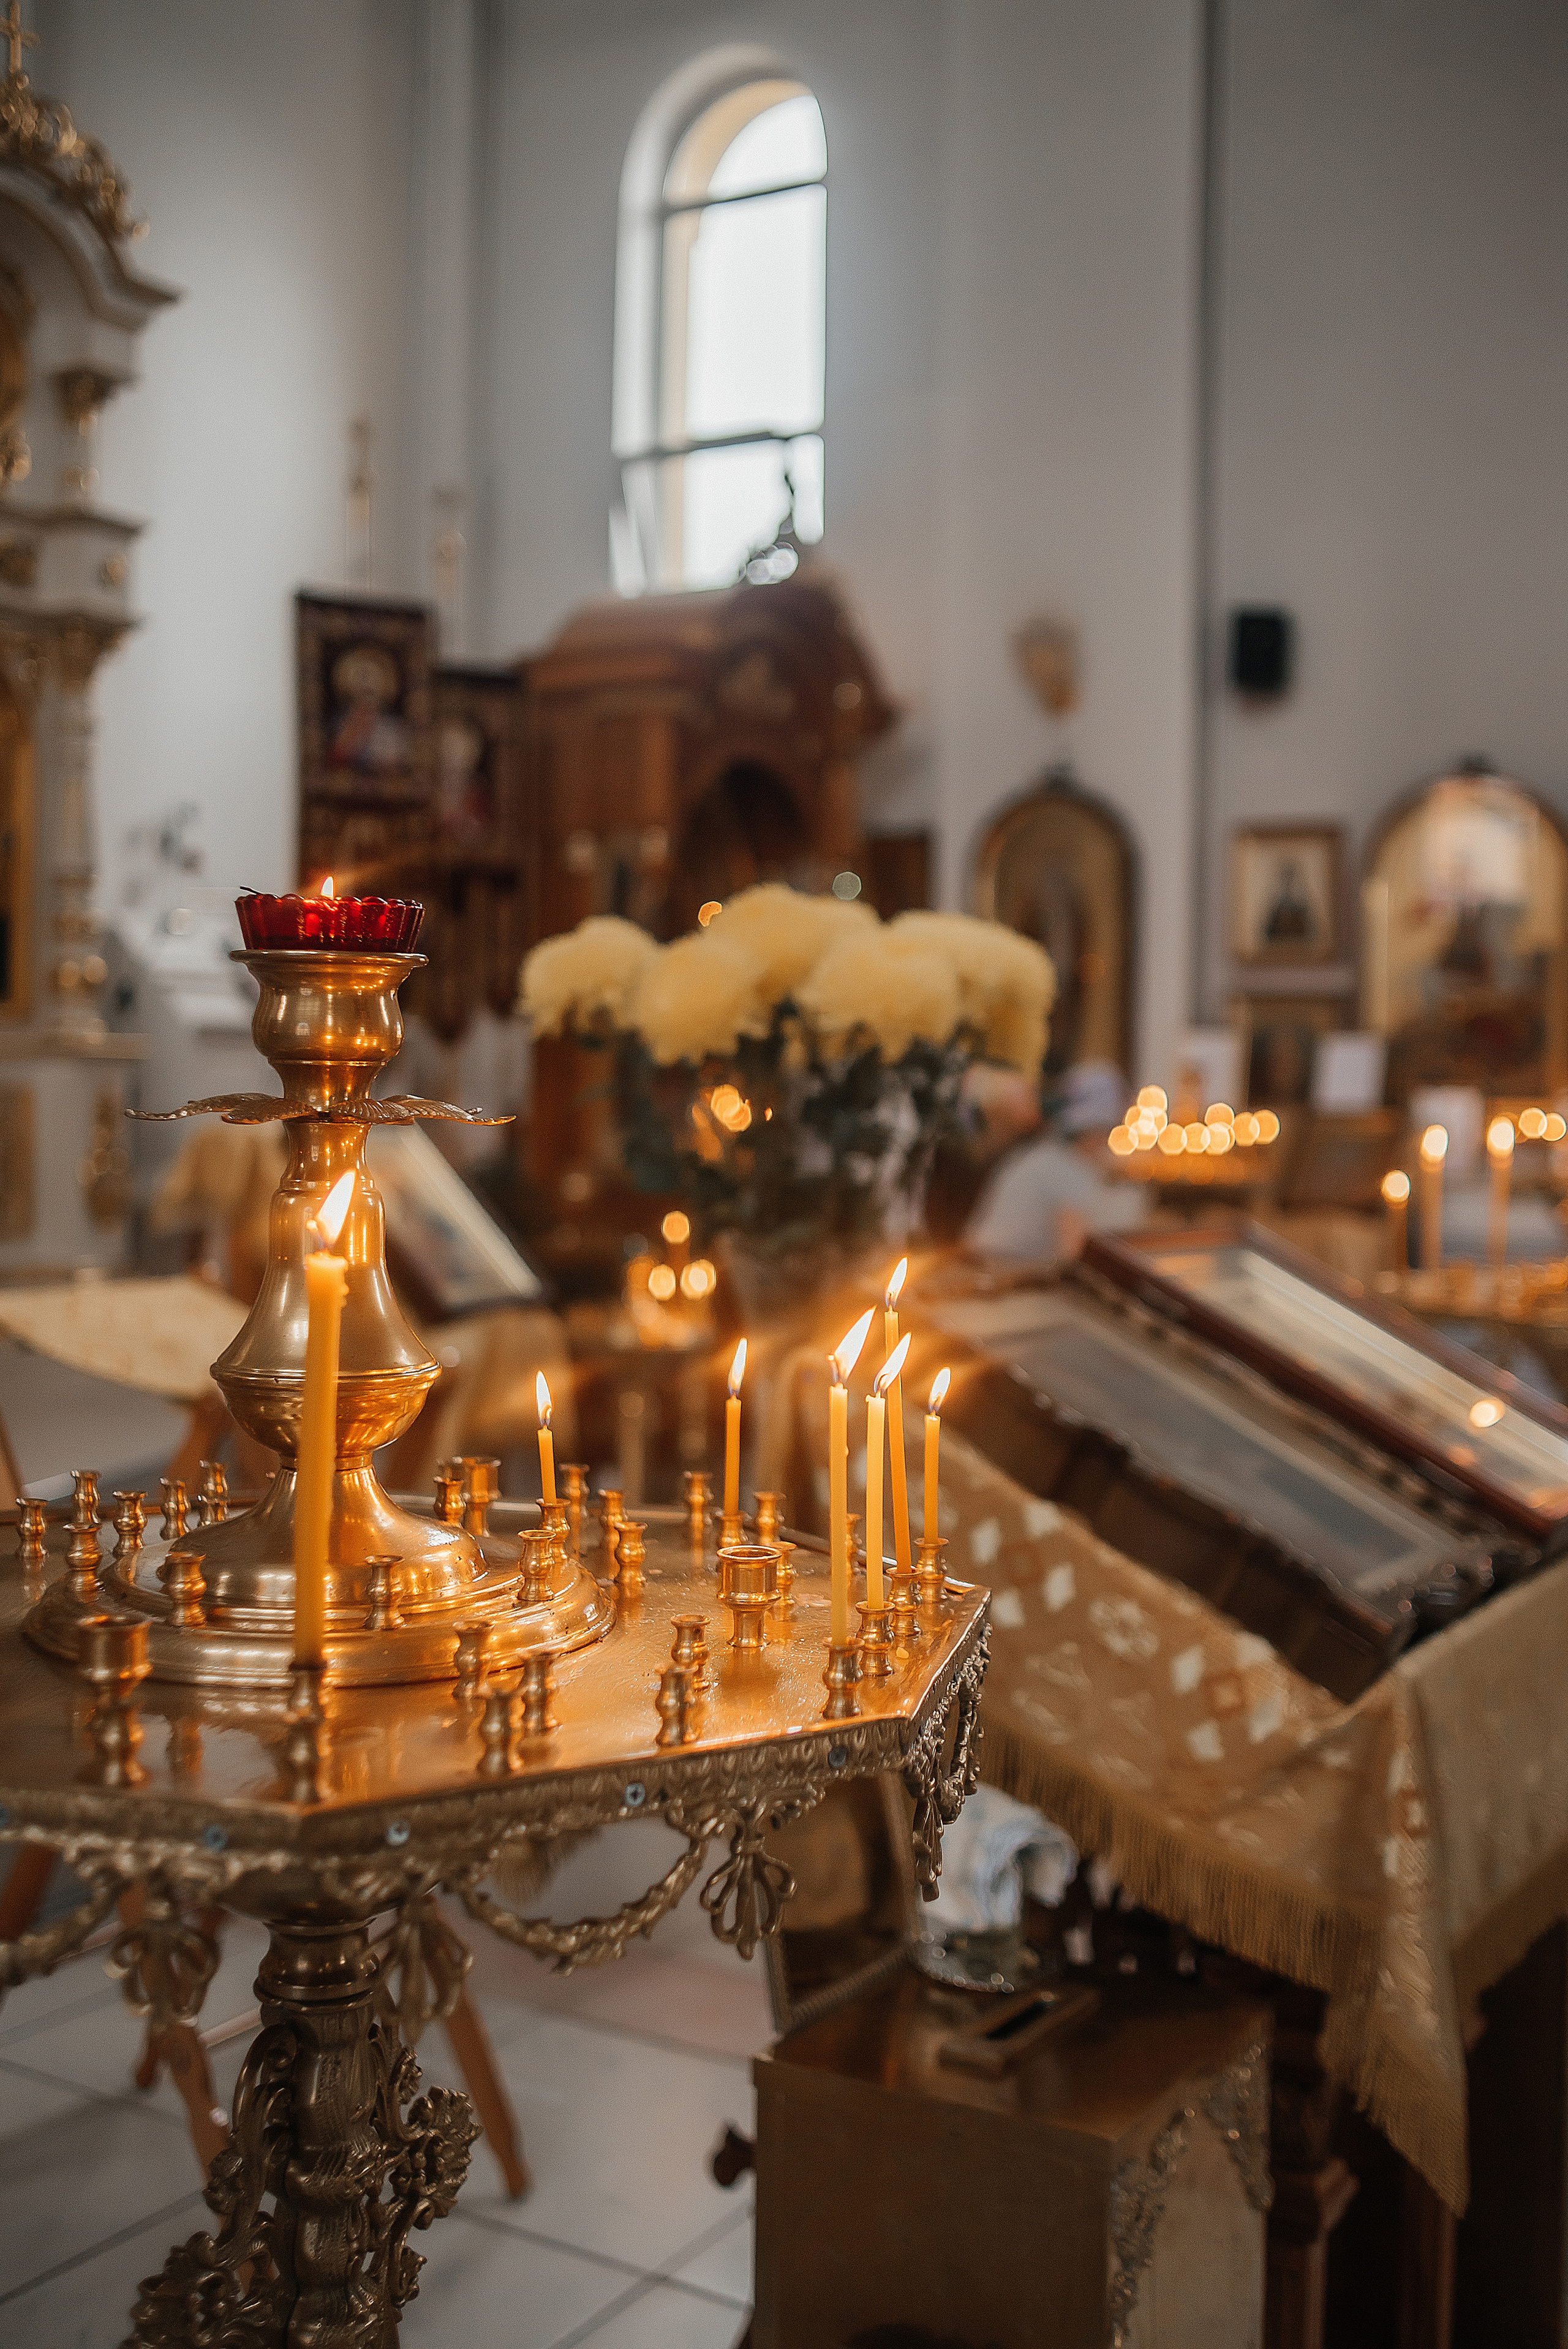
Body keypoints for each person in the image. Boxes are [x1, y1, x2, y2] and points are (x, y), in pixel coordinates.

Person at [963, 1059, 1146, 1265]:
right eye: (1110, 1129)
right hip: (998, 1270)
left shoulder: (1049, 1154)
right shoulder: (1068, 1169)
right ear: (1095, 1129)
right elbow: (1073, 1254)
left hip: (984, 1263)